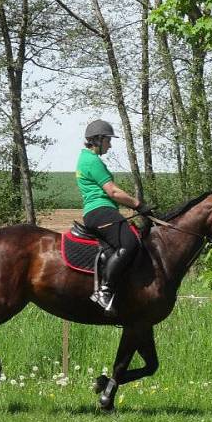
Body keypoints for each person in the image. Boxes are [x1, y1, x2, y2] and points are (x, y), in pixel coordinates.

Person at [76, 119, 151, 313]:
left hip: (100, 211)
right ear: (98, 139)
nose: (110, 144)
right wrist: (139, 205)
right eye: (108, 140)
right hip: (100, 211)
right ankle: (104, 291)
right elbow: (113, 192)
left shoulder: (87, 159)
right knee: (130, 243)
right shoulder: (91, 161)